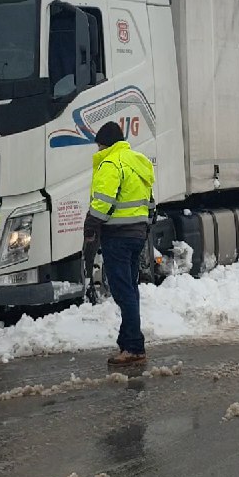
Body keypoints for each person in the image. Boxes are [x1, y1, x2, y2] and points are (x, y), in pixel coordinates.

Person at [84, 121, 156, 366]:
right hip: (138, 235)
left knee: (122, 290)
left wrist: (91, 225)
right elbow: (151, 202)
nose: (97, 150)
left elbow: (103, 201)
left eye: (99, 145)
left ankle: (134, 347)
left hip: (117, 236)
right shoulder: (138, 161)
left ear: (106, 143)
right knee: (130, 289)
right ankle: (128, 341)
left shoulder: (111, 163)